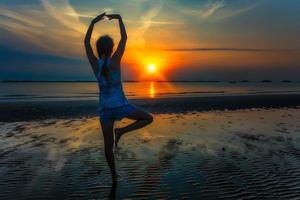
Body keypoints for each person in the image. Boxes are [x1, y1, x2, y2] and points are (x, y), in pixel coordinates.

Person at [84, 13, 153, 182]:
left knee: (108, 146)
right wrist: (120, 19)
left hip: (105, 110)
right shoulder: (115, 60)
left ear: (99, 49)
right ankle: (121, 131)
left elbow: (86, 43)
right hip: (121, 106)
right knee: (148, 118)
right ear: (112, 48)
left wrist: (93, 22)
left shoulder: (95, 64)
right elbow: (125, 38)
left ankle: (114, 176)